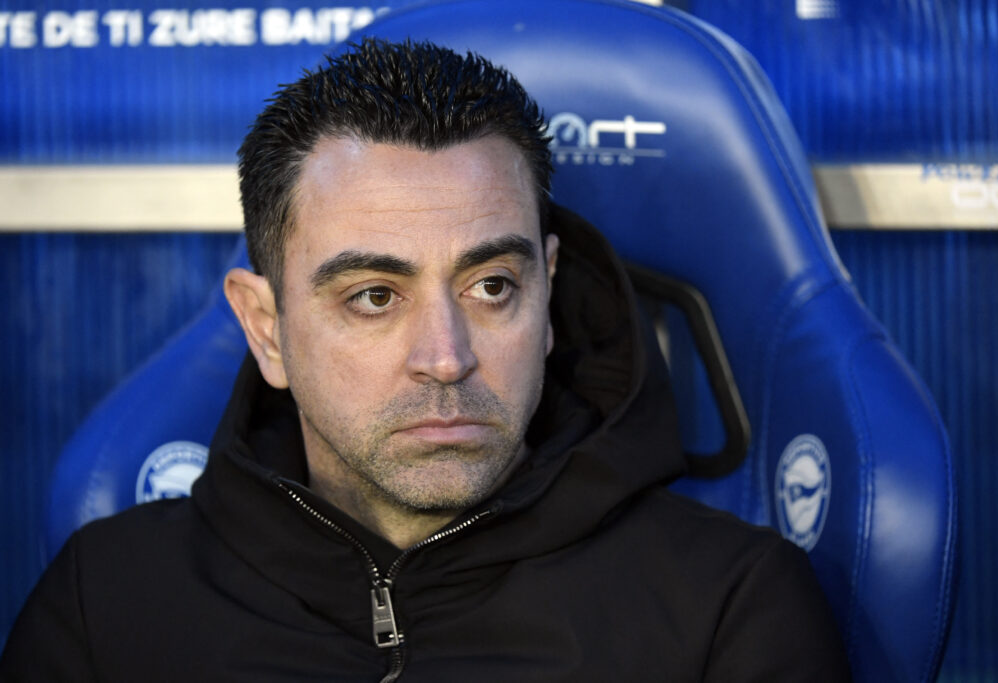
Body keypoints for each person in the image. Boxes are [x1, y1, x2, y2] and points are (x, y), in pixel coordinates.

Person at [0, 38, 850, 682]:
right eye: (374, 295)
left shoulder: (727, 610)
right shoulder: (107, 607)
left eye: (490, 286)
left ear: (547, 295)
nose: (446, 360)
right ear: (267, 328)